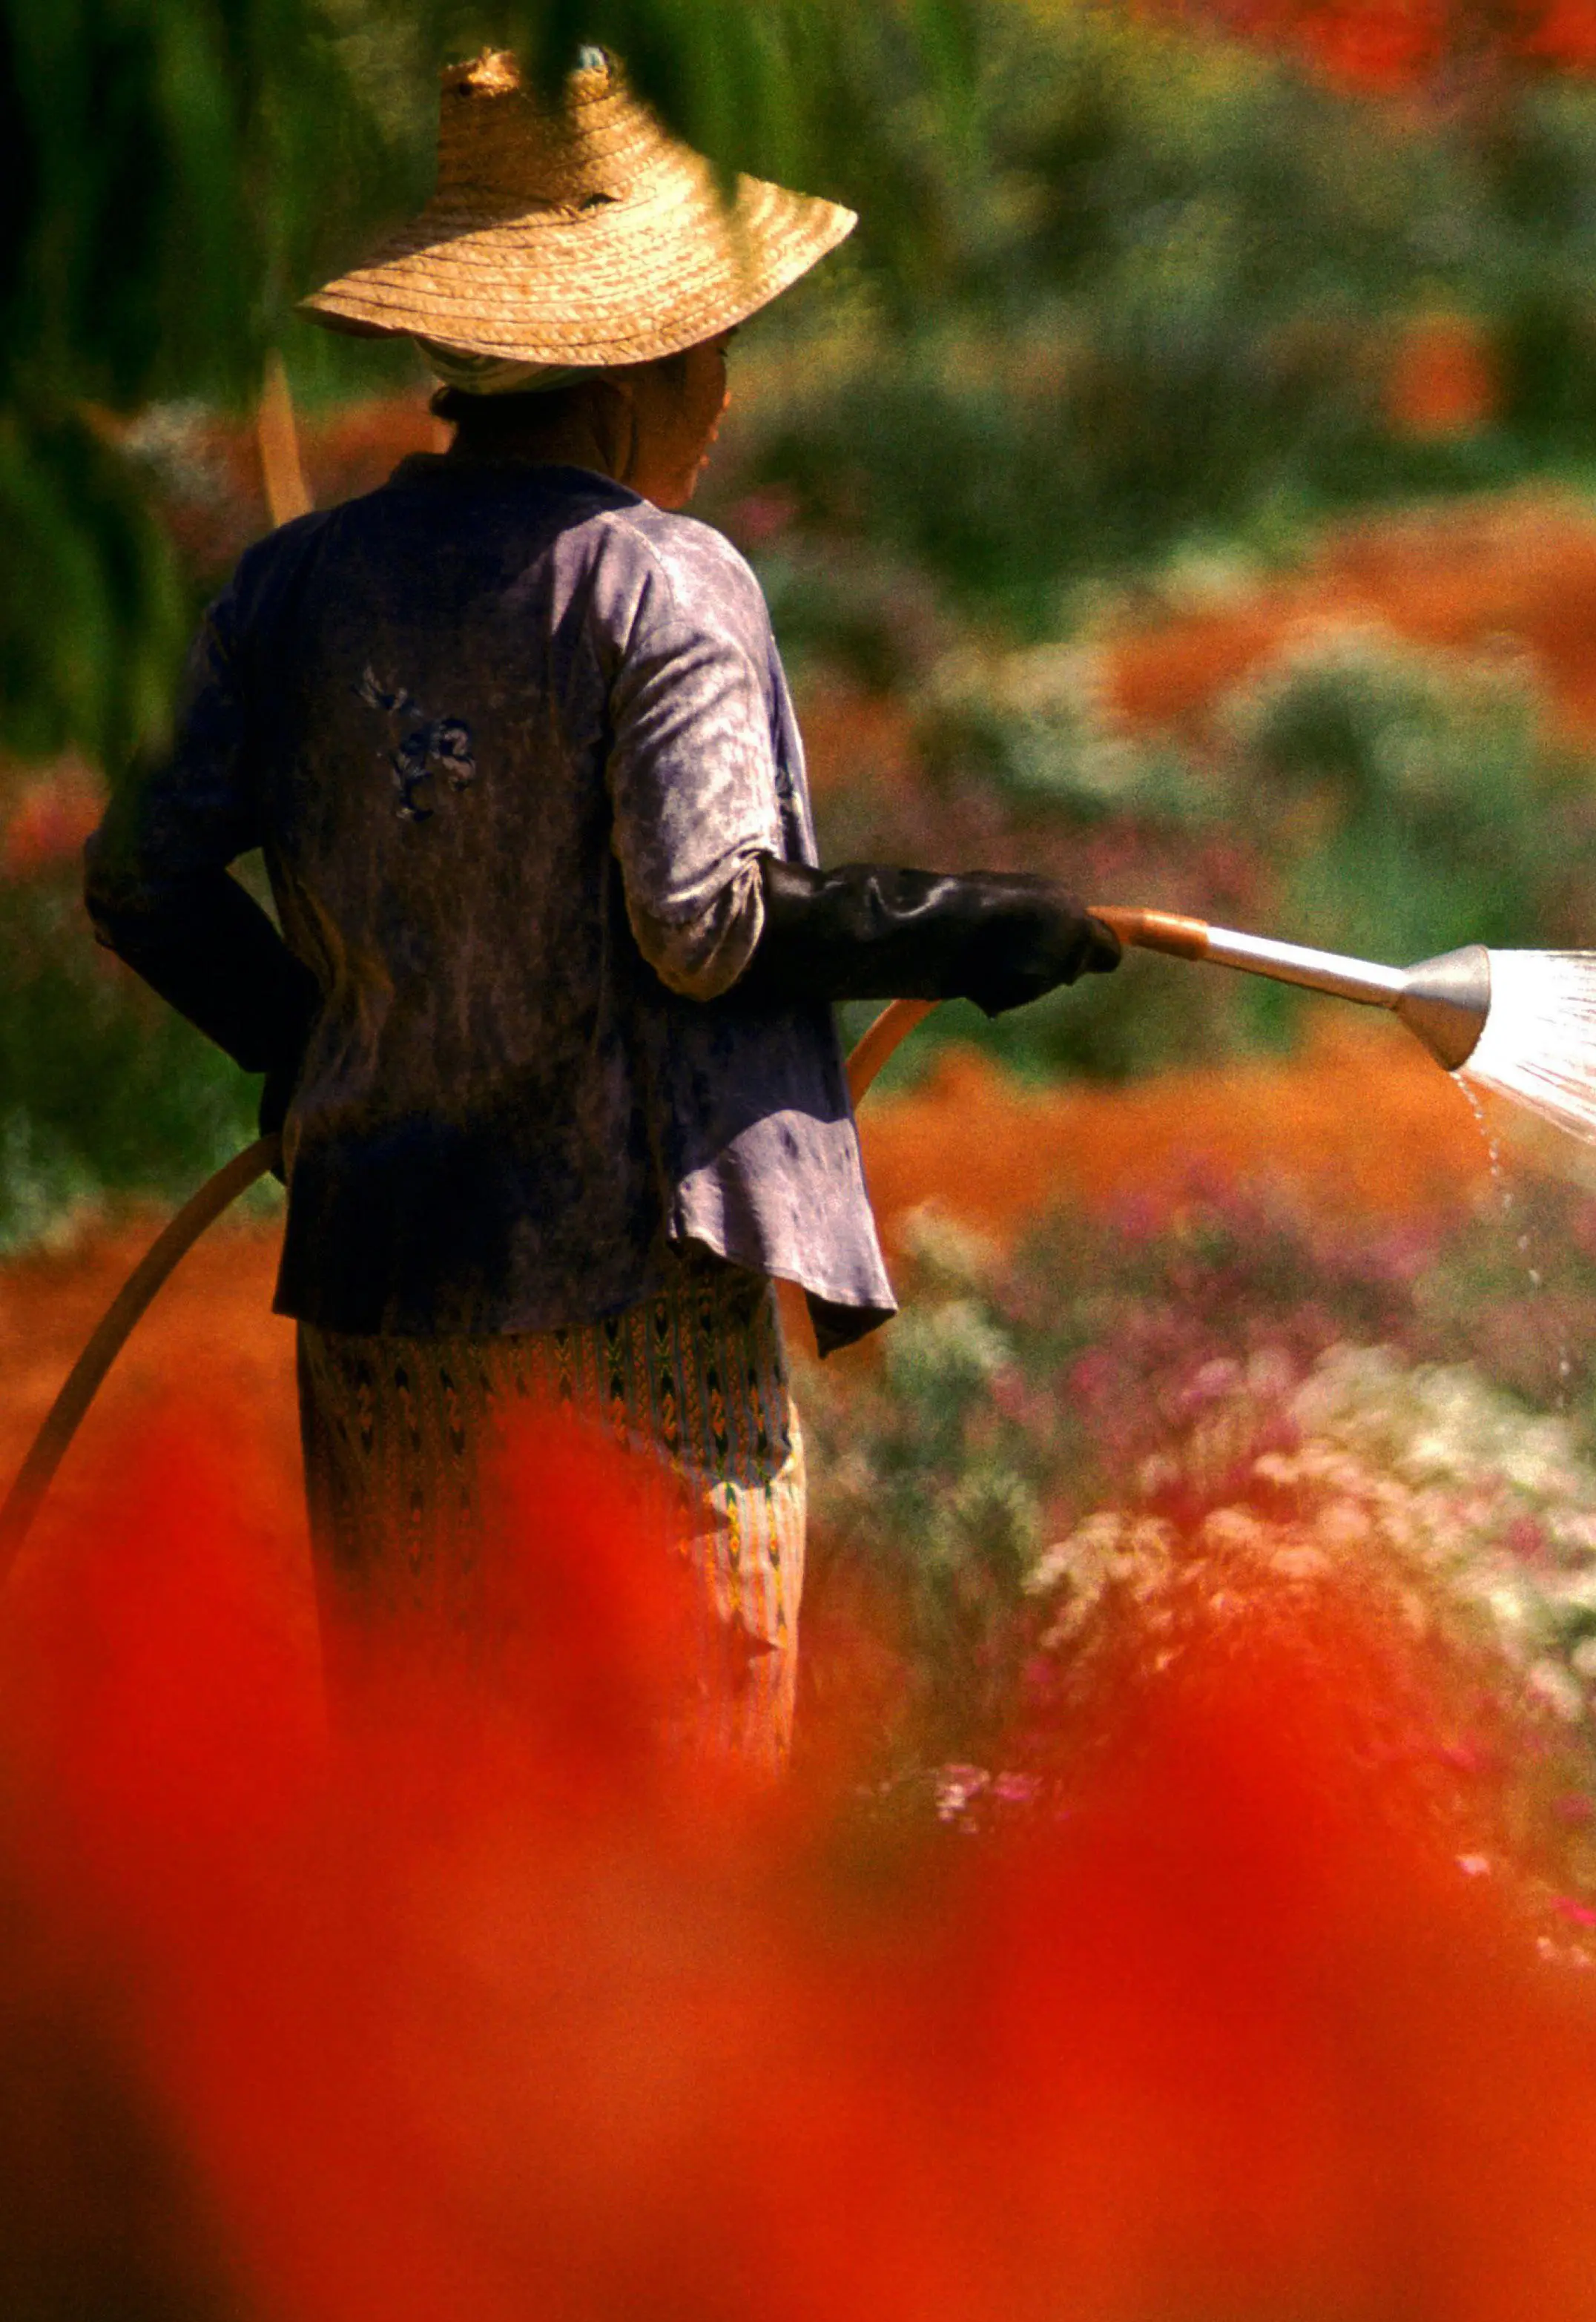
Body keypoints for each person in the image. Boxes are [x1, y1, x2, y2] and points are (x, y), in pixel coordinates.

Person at [81, 50, 1122, 1763]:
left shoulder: (293, 585)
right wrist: (960, 925)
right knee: (661, 1861)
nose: (724, 390)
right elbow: (705, 924)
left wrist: (317, 1059)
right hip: (628, 1321)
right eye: (715, 347)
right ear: (647, 359)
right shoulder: (661, 578)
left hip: (379, 1306)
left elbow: (140, 877)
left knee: (441, 1836)